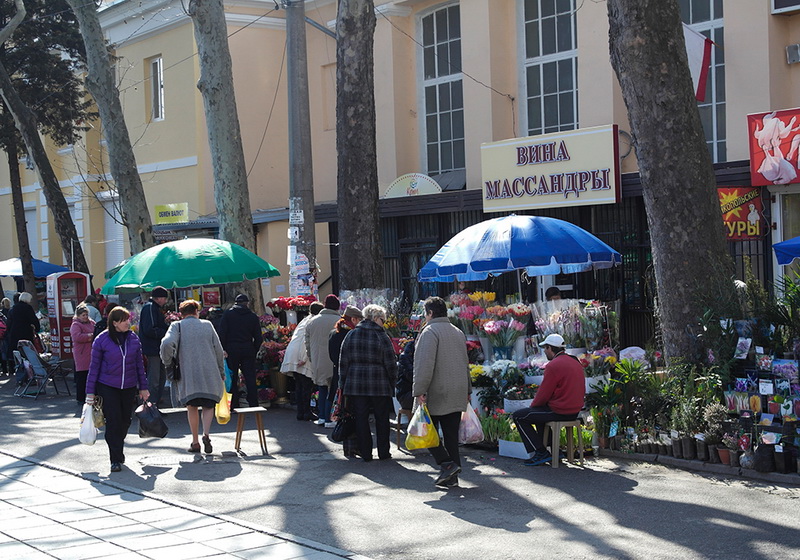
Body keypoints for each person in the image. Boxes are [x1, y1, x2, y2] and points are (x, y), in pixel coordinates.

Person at [413, 296, 471, 488]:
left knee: (425, 432)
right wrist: (468, 389)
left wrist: (419, 390)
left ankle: (446, 464)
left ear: (430, 313)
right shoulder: (457, 332)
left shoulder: (429, 332)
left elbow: (424, 365)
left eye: (425, 313)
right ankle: (452, 476)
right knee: (451, 436)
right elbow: (465, 363)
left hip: (436, 391)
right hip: (457, 390)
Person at [85, 306, 150, 473]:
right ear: (114, 323)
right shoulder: (102, 340)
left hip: (128, 386)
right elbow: (94, 368)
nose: (128, 322)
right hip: (107, 386)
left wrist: (143, 387)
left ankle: (117, 446)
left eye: (128, 319)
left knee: (125, 421)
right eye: (124, 320)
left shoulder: (133, 339)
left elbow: (139, 366)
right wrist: (90, 392)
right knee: (113, 421)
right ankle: (115, 458)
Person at [160, 299, 225, 454]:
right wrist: (221, 371)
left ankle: (195, 442)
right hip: (209, 372)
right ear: (197, 312)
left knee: (192, 407)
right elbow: (218, 350)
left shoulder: (177, 326)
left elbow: (166, 344)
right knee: (209, 405)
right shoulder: (207, 325)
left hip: (188, 374)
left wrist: (168, 361)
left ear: (181, 314)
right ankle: (206, 434)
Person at [512, 333, 585, 466]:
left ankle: (540, 452)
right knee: (538, 414)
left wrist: (532, 407)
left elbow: (543, 394)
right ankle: (555, 450)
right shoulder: (575, 361)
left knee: (519, 416)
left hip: (560, 410)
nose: (545, 351)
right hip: (575, 410)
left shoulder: (554, 365)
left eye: (546, 348)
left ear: (551, 348)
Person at [338, 304, 397, 462]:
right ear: (376, 318)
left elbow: (343, 361)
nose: (383, 323)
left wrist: (342, 384)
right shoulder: (382, 336)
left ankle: (366, 453)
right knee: (382, 419)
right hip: (379, 383)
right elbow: (391, 362)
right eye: (383, 320)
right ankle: (384, 452)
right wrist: (393, 382)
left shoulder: (351, 334)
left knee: (361, 418)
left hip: (356, 383)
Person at [328, 305, 363, 455]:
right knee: (356, 414)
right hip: (354, 378)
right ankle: (354, 446)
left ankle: (347, 448)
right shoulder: (353, 334)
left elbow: (332, 356)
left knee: (345, 413)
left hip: (339, 376)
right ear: (353, 319)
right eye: (359, 319)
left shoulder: (333, 334)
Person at [280, 301, 323, 421]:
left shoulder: (304, 320)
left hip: (292, 352)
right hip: (300, 355)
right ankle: (306, 412)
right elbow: (306, 340)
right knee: (306, 386)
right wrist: (303, 358)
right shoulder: (313, 321)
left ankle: (300, 412)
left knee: (298, 385)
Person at [220, 293, 263, 409]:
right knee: (250, 377)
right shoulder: (253, 316)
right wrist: (254, 349)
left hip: (231, 349)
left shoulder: (228, 314)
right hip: (247, 348)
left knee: (232, 376)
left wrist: (223, 349)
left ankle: (234, 404)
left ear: (236, 303)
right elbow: (258, 337)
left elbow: (222, 333)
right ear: (247, 303)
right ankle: (253, 403)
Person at [305, 294, 342, 426]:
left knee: (322, 389)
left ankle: (321, 416)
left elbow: (307, 343)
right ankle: (329, 418)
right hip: (334, 361)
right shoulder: (340, 321)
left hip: (318, 360)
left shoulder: (312, 321)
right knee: (333, 390)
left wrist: (311, 358)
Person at [139, 286, 169, 406]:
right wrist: (167, 331)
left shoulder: (152, 308)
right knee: (154, 378)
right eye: (165, 298)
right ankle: (150, 406)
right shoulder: (150, 308)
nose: (166, 301)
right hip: (153, 348)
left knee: (161, 377)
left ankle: (154, 404)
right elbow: (150, 329)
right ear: (160, 298)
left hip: (157, 348)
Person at [7, 292, 39, 383]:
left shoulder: (14, 308)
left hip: (14, 334)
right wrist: (37, 329)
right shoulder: (27, 308)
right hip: (25, 333)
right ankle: (29, 375)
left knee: (18, 356)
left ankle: (20, 374)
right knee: (27, 355)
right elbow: (34, 320)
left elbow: (9, 323)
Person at [69, 303, 95, 404]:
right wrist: (90, 336)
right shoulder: (75, 325)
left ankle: (91, 396)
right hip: (81, 353)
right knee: (82, 376)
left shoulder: (92, 323)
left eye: (86, 315)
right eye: (83, 315)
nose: (85, 317)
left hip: (92, 352)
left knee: (91, 375)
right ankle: (80, 398)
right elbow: (77, 337)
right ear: (78, 316)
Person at [0, 297, 10, 375]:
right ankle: (10, 369)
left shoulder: (2, 312)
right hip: (6, 335)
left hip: (2, 335)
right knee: (6, 351)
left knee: (2, 352)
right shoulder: (9, 312)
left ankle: (4, 370)